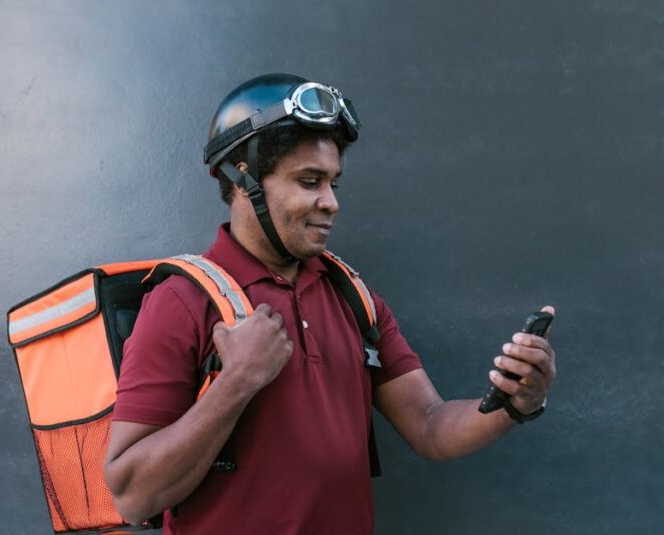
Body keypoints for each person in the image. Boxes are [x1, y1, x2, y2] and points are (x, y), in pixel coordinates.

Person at [103, 73, 557, 534]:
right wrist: (237, 381)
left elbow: (430, 426)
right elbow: (132, 497)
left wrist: (514, 403)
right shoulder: (181, 302)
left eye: (333, 183)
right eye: (309, 181)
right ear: (242, 180)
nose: (331, 202)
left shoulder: (352, 297)